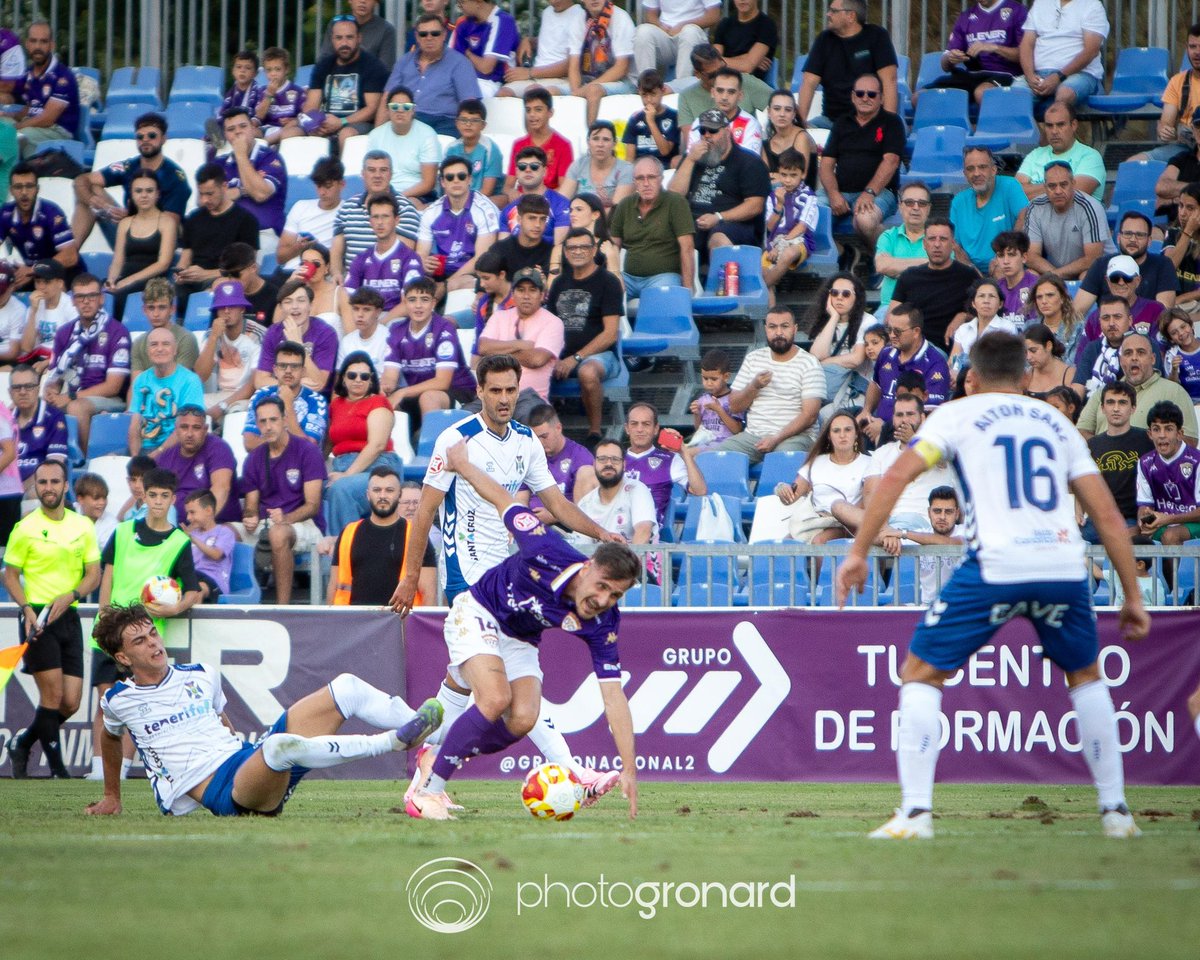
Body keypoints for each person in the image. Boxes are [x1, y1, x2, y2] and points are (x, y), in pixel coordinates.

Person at [837, 331, 1148, 840]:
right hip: (1062, 566)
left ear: (972, 378)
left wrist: (856, 552)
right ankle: (1116, 813)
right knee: (1087, 678)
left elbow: (892, 480)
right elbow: (1109, 517)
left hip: (996, 564)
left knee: (920, 674)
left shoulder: (957, 415)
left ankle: (915, 815)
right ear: (1027, 376)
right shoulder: (1057, 421)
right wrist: (1132, 597)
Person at [390, 354, 625, 811]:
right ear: (478, 391)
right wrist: (410, 576)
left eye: (509, 390)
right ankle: (570, 770)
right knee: (500, 693)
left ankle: (428, 759)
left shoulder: (526, 441)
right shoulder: (455, 440)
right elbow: (425, 512)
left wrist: (601, 533)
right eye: (494, 390)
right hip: (470, 579)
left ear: (519, 389)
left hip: (511, 574)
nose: (502, 398)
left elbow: (555, 503)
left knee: (466, 687)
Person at [85, 602, 443, 816]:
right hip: (225, 794)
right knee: (277, 746)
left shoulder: (200, 674)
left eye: (153, 634)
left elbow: (221, 721)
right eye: (140, 641)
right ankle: (393, 742)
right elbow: (109, 736)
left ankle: (435, 742)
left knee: (346, 688)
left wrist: (238, 751)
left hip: (246, 763)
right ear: (121, 656)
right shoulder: (119, 699)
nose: (153, 643)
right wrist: (111, 796)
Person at [3, 460, 100, 779]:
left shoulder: (82, 526)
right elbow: (11, 576)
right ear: (36, 487)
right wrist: (27, 609)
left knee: (71, 702)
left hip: (68, 616)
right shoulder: (25, 528)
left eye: (54, 482)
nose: (48, 488)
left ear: (66, 485)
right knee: (53, 696)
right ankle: (59, 770)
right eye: (42, 482)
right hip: (38, 619)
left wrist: (71, 595)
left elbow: (93, 575)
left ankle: (23, 742)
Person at [829, 393, 956, 539]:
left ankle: (888, 535)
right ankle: (886, 533)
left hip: (926, 523)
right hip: (888, 521)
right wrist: (883, 526)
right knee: (838, 505)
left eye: (910, 414)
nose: (904, 420)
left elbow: (942, 460)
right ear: (893, 419)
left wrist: (914, 441)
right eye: (899, 415)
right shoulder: (882, 453)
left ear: (922, 418)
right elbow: (870, 494)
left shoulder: (937, 446)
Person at [98, 467, 201, 645]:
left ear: (173, 499)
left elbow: (192, 591)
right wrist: (104, 617)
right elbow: (107, 579)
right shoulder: (122, 531)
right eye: (153, 495)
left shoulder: (179, 542)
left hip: (146, 639)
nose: (158, 502)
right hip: (112, 630)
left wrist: (175, 608)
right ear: (144, 497)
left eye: (164, 496)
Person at [239, 397, 327, 604]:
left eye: (273, 420)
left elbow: (313, 505)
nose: (268, 427)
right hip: (266, 523)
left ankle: (282, 609)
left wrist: (286, 518)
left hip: (304, 523)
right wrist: (249, 517)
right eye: (262, 422)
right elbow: (251, 505)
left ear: (285, 420)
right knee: (225, 533)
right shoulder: (253, 458)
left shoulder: (307, 451)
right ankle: (233, 604)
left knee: (278, 533)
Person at [716, 306, 825, 464]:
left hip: (795, 437)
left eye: (785, 326)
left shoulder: (809, 363)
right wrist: (754, 386)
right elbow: (734, 406)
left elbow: (810, 416)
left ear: (795, 329)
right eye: (773, 327)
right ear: (766, 329)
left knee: (780, 459)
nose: (779, 332)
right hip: (753, 437)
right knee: (714, 459)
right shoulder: (753, 358)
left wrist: (776, 438)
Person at [71, 112, 192, 249]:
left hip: (159, 244)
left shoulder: (174, 176)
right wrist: (95, 201)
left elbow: (170, 224)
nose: (145, 140)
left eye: (152, 136)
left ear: (164, 139)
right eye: (140, 137)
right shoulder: (128, 166)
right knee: (89, 189)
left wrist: (131, 218)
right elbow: (81, 180)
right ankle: (71, 253)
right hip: (127, 231)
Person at [546, 227, 622, 444]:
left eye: (583, 247)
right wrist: (550, 356)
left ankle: (594, 432)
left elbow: (609, 335)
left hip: (601, 356)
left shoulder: (608, 282)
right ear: (565, 252)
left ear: (593, 250)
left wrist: (575, 358)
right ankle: (542, 431)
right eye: (572, 247)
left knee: (587, 372)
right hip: (561, 355)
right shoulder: (559, 283)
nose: (577, 252)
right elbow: (549, 325)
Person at [43, 273, 131, 455]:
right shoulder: (64, 333)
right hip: (75, 394)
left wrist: (71, 397)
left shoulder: (117, 331)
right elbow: (55, 378)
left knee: (78, 406)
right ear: (73, 301)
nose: (86, 301)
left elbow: (113, 387)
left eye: (92, 296)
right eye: (80, 297)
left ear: (101, 299)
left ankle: (81, 463)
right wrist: (50, 392)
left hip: (110, 400)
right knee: (34, 405)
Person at [329, 465, 437, 606]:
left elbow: (429, 592)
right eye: (377, 490)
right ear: (368, 495)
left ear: (399, 495)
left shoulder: (416, 535)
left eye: (389, 490)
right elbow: (333, 586)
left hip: (401, 621)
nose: (382, 496)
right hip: (353, 622)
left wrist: (422, 627)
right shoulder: (349, 532)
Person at [669, 108, 771, 256]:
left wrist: (719, 217)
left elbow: (755, 206)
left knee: (718, 238)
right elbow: (674, 195)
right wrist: (690, 159)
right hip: (693, 220)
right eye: (702, 131)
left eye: (713, 131)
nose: (707, 136)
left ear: (727, 131)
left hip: (734, 224)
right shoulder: (693, 157)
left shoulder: (749, 162)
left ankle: (723, 279)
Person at [818, 72, 904, 245]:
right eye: (860, 93)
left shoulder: (892, 122)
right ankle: (843, 254)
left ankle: (886, 259)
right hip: (840, 191)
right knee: (812, 215)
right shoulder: (842, 123)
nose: (865, 98)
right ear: (853, 96)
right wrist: (833, 194)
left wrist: (869, 193)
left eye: (871, 94)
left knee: (864, 221)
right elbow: (826, 164)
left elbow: (891, 161)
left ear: (881, 98)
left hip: (880, 192)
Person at [324, 351, 403, 538]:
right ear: (343, 379)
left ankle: (349, 552)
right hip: (341, 465)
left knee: (341, 489)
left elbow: (377, 445)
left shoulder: (378, 402)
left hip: (378, 467)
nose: (358, 380)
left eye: (364, 376)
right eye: (352, 375)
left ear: (371, 380)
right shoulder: (336, 405)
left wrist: (346, 475)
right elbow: (329, 442)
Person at [1077, 331, 1198, 443]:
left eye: (1141, 352)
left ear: (1152, 359)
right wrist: (1108, 451)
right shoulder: (1103, 392)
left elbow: (1190, 440)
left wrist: (1147, 454)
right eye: (1128, 353)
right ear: (1121, 360)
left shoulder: (1174, 391)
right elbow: (1081, 432)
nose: (1134, 358)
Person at [288, 16, 387, 151]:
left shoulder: (373, 66)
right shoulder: (323, 65)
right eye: (339, 38)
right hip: (325, 122)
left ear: (359, 38)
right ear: (332, 39)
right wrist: (314, 124)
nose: (344, 43)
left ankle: (341, 172)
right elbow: (311, 105)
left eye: (349, 37)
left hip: (356, 123)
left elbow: (371, 109)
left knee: (346, 135)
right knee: (290, 134)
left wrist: (341, 122)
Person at [858, 303, 952, 445]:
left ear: (916, 332)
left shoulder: (935, 363)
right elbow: (876, 384)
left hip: (910, 436)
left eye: (897, 331)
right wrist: (866, 411)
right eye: (889, 329)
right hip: (875, 426)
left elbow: (928, 414)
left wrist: (885, 428)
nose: (891, 335)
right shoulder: (885, 353)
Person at [174, 162, 262, 312]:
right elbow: (185, 256)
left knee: (217, 289)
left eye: (210, 194)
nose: (204, 200)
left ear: (224, 187)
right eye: (201, 194)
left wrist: (205, 274)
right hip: (192, 279)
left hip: (225, 278)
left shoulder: (246, 220)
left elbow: (248, 267)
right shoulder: (194, 218)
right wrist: (181, 272)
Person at [776, 411, 872, 545]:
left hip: (847, 525)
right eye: (836, 431)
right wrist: (782, 490)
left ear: (856, 434)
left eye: (848, 430)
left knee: (820, 541)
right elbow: (791, 497)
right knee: (787, 543)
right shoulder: (816, 462)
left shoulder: (869, 463)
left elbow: (869, 501)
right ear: (829, 436)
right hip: (816, 521)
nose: (842, 435)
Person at [796, 0, 899, 125]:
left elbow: (889, 80)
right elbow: (809, 82)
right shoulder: (824, 39)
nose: (828, 14)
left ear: (851, 16)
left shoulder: (877, 36)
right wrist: (799, 126)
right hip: (830, 121)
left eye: (833, 11)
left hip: (872, 121)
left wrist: (888, 125)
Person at [885, 218, 979, 349]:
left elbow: (986, 312)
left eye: (943, 239)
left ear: (953, 244)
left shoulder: (968, 276)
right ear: (924, 243)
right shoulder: (909, 276)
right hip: (912, 347)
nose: (937, 244)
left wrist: (964, 316)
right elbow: (892, 318)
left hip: (949, 349)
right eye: (932, 239)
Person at [610, 155, 695, 300]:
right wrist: (613, 276)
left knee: (659, 300)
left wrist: (687, 291)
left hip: (663, 277)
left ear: (661, 178)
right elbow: (612, 247)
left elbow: (687, 247)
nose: (646, 183)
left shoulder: (675, 202)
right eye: (640, 178)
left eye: (651, 177)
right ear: (634, 182)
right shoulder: (625, 205)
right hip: (629, 278)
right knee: (604, 292)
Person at [384, 12, 482, 137]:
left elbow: (469, 104)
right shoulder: (404, 61)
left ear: (444, 35)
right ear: (417, 37)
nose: (429, 38)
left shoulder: (460, 63)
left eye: (435, 33)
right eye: (423, 34)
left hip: (443, 124)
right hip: (406, 120)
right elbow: (387, 98)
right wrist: (378, 131)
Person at [331, 151, 421, 284]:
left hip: (388, 282)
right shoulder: (347, 208)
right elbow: (336, 251)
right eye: (371, 170)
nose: (377, 176)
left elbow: (400, 256)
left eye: (383, 170)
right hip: (351, 282)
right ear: (363, 174)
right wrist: (337, 274)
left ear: (391, 174)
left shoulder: (405, 209)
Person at [416, 155, 500, 298]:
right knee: (416, 288)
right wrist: (425, 263)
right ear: (442, 182)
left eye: (461, 176)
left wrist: (447, 284)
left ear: (470, 179)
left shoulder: (484, 210)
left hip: (473, 275)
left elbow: (481, 259)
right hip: (440, 275)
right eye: (450, 177)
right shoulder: (431, 212)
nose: (456, 181)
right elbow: (420, 255)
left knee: (456, 285)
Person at [1082, 381, 1153, 542]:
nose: (1116, 408)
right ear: (1102, 408)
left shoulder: (1146, 440)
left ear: (1133, 408)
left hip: (1133, 520)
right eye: (1110, 402)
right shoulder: (1093, 444)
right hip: (1098, 521)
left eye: (1122, 402)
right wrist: (1079, 512)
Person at [104, 172, 177, 322]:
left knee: (120, 295)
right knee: (98, 292)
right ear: (131, 194)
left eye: (149, 191)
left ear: (157, 194)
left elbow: (163, 264)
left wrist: (128, 281)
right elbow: (118, 260)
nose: (144, 195)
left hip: (152, 280)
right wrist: (112, 280)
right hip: (124, 278)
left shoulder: (167, 222)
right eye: (138, 191)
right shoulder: (125, 223)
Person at [1012, 0, 1108, 112]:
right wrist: (1029, 76)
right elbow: (1026, 44)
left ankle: (1057, 128)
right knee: (1015, 98)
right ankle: (1038, 130)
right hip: (1039, 75)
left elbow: (1091, 51)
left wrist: (1059, 76)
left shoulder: (1092, 5)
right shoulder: (1040, 3)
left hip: (1079, 74)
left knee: (1064, 94)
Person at [1024, 160, 1112, 281]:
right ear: (1045, 187)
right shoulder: (1035, 207)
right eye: (1052, 186)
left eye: (1063, 184)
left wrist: (1055, 276)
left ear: (1073, 184)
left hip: (1097, 269)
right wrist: (1055, 275)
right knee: (1031, 274)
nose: (1058, 191)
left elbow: (1092, 259)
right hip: (1054, 270)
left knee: (1086, 276)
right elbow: (1031, 256)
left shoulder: (1090, 207)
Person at [2, 21, 80, 157]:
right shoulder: (29, 73)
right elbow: (30, 108)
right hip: (33, 125)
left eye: (43, 42)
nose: (38, 46)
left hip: (56, 130)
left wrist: (14, 128)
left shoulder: (63, 76)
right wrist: (9, 116)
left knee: (18, 136)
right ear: (27, 44)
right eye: (33, 41)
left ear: (52, 45)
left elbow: (47, 118)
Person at [623, 401, 706, 528]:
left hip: (650, 536)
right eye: (634, 424)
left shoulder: (670, 460)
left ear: (656, 429)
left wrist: (683, 451)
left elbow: (700, 491)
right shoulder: (614, 460)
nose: (640, 429)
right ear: (627, 428)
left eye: (646, 424)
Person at [342, 195, 425, 323]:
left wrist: (380, 325)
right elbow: (346, 298)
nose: (380, 222)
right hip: (364, 317)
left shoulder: (410, 258)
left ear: (397, 220)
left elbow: (409, 303)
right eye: (375, 217)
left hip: (394, 319)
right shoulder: (361, 258)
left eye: (385, 216)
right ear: (370, 221)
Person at [924, 0, 1026, 103]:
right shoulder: (966, 17)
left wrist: (995, 48)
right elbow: (945, 66)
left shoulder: (1017, 10)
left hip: (1005, 74)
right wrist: (951, 57)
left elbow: (1026, 56)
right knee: (920, 98)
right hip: (970, 76)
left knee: (982, 93)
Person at [949, 146, 1028, 274]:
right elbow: (955, 246)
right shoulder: (958, 201)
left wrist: (1003, 256)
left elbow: (1024, 216)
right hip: (970, 271)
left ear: (993, 170)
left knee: (1001, 270)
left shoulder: (1009, 186)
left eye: (982, 167)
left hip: (1005, 265)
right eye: (970, 169)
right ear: (965, 174)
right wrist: (972, 271)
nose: (976, 173)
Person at [157, 405, 241, 524]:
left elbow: (221, 488)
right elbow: (148, 492)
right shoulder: (166, 456)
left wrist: (196, 527)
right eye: (184, 427)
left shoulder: (218, 448)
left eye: (196, 428)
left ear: (205, 429)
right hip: (174, 527)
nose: (190, 434)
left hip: (217, 524)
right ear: (176, 429)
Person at [127, 328, 204, 456]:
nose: (160, 349)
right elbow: (135, 424)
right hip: (144, 450)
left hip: (176, 449)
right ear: (147, 351)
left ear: (175, 350)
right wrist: (136, 459)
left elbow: (186, 426)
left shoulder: (190, 380)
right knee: (109, 460)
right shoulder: (141, 379)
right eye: (154, 344)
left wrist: (157, 454)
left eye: (166, 344)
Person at [193, 280, 261, 423]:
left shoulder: (257, 335)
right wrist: (213, 338)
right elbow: (200, 376)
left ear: (242, 308)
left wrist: (223, 406)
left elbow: (254, 384)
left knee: (235, 411)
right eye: (222, 307)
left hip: (246, 397)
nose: (227, 311)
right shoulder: (211, 334)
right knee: (191, 405)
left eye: (232, 306)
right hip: (220, 394)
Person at [255, 281, 340, 395]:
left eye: (301, 300)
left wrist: (298, 343)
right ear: (281, 307)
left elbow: (319, 383)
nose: (295, 307)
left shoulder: (326, 333)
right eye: (288, 302)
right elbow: (260, 381)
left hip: (313, 399)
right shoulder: (273, 332)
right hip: (279, 395)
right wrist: (296, 383)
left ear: (310, 305)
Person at [0, 161, 77, 287]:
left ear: (37, 189)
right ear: (11, 190)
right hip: (33, 276)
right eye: (18, 187)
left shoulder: (51, 213)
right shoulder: (5, 213)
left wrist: (32, 270)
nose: (24, 192)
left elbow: (70, 256)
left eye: (29, 186)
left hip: (64, 277)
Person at [674, 44, 773, 140]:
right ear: (697, 74)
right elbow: (691, 141)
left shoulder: (745, 82)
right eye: (713, 74)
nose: (720, 75)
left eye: (722, 68)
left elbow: (781, 102)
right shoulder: (686, 97)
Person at [219, 107, 288, 244]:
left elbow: (260, 194)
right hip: (226, 234)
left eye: (243, 126)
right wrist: (243, 190)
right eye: (231, 129)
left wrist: (240, 155)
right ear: (226, 135)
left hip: (263, 234)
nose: (238, 132)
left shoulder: (271, 158)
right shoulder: (219, 163)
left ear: (252, 128)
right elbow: (207, 199)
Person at [1136, 400, 1200, 545]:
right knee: (1127, 536)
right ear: (1149, 434)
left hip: (1194, 523)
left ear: (1180, 433)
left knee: (1170, 536)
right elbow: (1145, 505)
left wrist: (1168, 519)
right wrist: (1144, 518)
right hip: (1163, 523)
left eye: (1168, 429)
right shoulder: (1145, 463)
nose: (1162, 435)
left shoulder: (1197, 461)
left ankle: (1173, 569)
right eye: (1156, 429)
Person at [246, 339, 330, 450]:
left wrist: (288, 404)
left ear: (303, 371)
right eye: (282, 366)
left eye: (294, 366)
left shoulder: (317, 401)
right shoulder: (261, 395)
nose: (288, 371)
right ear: (275, 370)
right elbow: (249, 444)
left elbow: (308, 448)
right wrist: (283, 443)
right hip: (268, 463)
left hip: (301, 466)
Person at [571, 440, 657, 547]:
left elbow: (643, 532)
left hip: (636, 561)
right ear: (594, 465)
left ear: (624, 465)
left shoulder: (637, 490)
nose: (608, 464)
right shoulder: (585, 503)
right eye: (602, 459)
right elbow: (581, 546)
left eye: (615, 459)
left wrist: (628, 563)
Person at [1137, 23, 1200, 164]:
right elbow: (1166, 122)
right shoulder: (1177, 81)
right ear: (1186, 48)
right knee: (1136, 163)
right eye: (1193, 47)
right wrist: (1165, 130)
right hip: (1185, 147)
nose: (1197, 52)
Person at [1015, 102, 1105, 201]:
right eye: (1049, 125)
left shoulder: (1090, 157)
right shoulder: (1035, 154)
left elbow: (1072, 197)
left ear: (1074, 125)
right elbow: (1014, 194)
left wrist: (1031, 189)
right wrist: (1062, 185)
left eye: (1060, 125)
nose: (1054, 131)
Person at [567, 0, 637, 123]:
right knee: (550, 91)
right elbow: (573, 65)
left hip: (624, 82)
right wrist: (575, 92)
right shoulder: (578, 20)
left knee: (593, 90)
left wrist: (583, 90)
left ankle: (591, 136)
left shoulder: (621, 18)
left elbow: (622, 68)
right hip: (587, 82)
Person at [367, 86, 441, 202]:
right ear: (387, 110)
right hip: (382, 193)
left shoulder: (427, 134)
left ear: (413, 110)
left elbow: (428, 183)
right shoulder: (375, 135)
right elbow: (370, 173)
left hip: (417, 194)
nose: (400, 111)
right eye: (394, 107)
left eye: (406, 107)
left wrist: (396, 198)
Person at [761, 148, 819, 296]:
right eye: (784, 175)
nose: (788, 180)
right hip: (774, 242)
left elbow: (801, 227)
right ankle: (769, 312)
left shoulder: (809, 197)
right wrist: (779, 205)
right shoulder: (774, 196)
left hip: (799, 241)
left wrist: (780, 246)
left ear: (803, 174)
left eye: (793, 175)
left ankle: (760, 290)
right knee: (763, 271)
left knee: (787, 254)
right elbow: (770, 227)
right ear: (778, 173)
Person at [275, 157, 345, 276]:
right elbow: (280, 257)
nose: (322, 192)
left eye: (328, 186)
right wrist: (299, 248)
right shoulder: (300, 207)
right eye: (318, 186)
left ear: (341, 184)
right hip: (291, 272)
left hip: (320, 274)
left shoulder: (348, 211)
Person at [498, 0, 584, 97]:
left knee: (533, 93)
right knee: (503, 93)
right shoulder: (547, 12)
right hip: (536, 76)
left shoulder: (578, 14)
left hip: (560, 79)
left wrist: (529, 72)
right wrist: (529, 40)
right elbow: (551, 41)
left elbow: (572, 64)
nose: (553, 2)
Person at [526, 403, 595, 521]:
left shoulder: (580, 457)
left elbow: (587, 505)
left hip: (565, 526)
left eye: (544, 436)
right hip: (530, 524)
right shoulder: (531, 456)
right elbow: (520, 496)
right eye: (536, 438)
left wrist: (555, 516)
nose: (540, 443)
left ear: (558, 428)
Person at [1078, 254, 1166, 347]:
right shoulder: (1095, 317)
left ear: (1138, 280)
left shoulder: (1156, 310)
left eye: (1127, 278)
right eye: (1115, 278)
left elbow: (1161, 353)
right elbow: (1082, 358)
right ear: (1107, 281)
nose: (1121, 283)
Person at [633, 0, 721, 90]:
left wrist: (684, 25)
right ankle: (647, 88)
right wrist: (660, 26)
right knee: (642, 32)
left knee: (689, 32)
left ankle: (681, 91)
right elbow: (650, 14)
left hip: (694, 35)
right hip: (665, 33)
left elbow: (713, 15)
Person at [502, 89, 575, 197]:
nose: (532, 115)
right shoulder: (519, 144)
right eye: (528, 110)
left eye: (538, 110)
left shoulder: (563, 145)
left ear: (550, 113)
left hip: (549, 203)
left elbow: (564, 188)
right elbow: (508, 186)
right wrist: (513, 193)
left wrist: (538, 199)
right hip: (522, 201)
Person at [875, 182, 931, 315]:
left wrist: (896, 267)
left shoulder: (939, 238)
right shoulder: (888, 236)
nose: (916, 207)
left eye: (922, 203)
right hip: (889, 308)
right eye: (909, 202)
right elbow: (882, 266)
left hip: (926, 309)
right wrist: (925, 263)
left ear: (929, 208)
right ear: (900, 207)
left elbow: (941, 272)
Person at [9, 364, 67, 495]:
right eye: (17, 387)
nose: (23, 392)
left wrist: (20, 489)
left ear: (38, 389)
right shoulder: (4, 420)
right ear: (10, 392)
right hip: (6, 488)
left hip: (37, 487)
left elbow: (54, 466)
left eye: (29, 386)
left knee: (35, 494)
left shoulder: (54, 417)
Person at [680, 66, 763, 156]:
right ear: (713, 92)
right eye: (720, 91)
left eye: (731, 92)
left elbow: (750, 163)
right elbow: (692, 157)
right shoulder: (699, 122)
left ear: (740, 95)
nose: (724, 97)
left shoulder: (750, 124)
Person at [948, 278, 1022, 375]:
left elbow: (1005, 364)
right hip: (963, 381)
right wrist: (954, 375)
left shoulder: (1007, 328)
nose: (986, 301)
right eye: (981, 296)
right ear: (973, 303)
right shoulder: (963, 329)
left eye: (992, 296)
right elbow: (954, 361)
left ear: (1000, 304)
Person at [128, 278, 199, 378]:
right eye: (151, 308)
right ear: (144, 310)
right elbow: (136, 385)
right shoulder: (138, 343)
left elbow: (178, 382)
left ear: (172, 309)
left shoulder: (186, 339)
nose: (156, 314)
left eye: (162, 307)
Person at [499, 145, 571, 242]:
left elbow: (559, 247)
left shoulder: (561, 204)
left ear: (545, 171)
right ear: (516, 172)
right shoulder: (508, 211)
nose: (528, 170)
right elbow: (503, 250)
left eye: (534, 166)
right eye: (522, 166)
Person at [449, 0, 520, 98]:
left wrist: (467, 53)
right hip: (462, 79)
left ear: (479, 3)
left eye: (462, 2)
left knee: (468, 96)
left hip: (491, 82)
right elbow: (451, 61)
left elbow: (486, 68)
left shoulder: (503, 20)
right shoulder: (462, 22)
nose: (459, 6)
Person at [560, 121, 634, 210]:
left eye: (606, 139)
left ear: (614, 144)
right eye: (595, 139)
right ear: (588, 142)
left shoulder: (626, 169)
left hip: (610, 222)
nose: (600, 144)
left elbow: (616, 211)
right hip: (578, 221)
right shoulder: (579, 165)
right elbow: (561, 201)